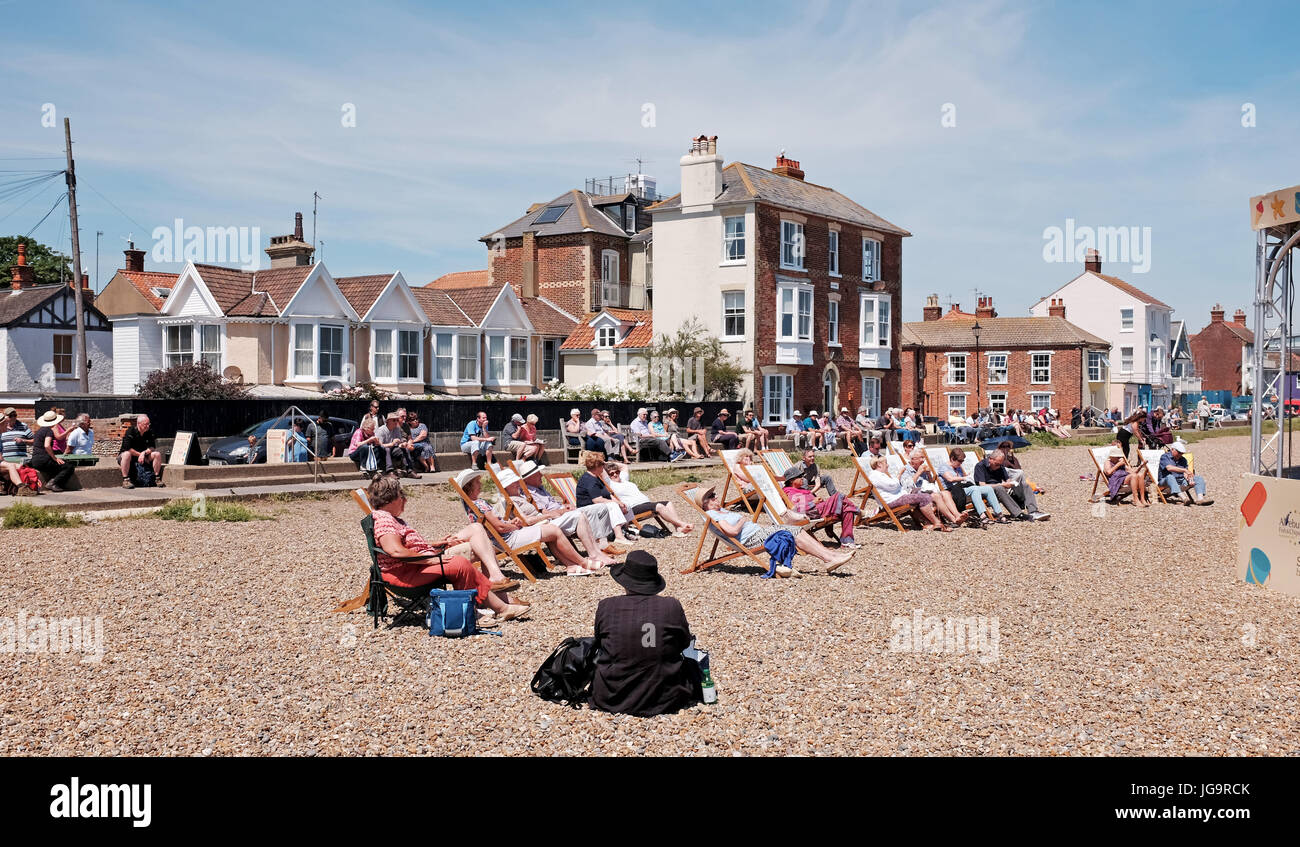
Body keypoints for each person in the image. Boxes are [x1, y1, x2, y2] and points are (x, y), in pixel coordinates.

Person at [368, 474, 529, 623]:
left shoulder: (388, 518)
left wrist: (437, 544)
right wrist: (431, 560)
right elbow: (395, 551)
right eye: (401, 496)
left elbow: (404, 547)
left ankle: (497, 604)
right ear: (392, 499)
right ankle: (489, 608)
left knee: (473, 540)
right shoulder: (384, 520)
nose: (404, 500)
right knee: (460, 564)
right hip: (406, 573)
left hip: (414, 565)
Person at [590, 551, 702, 717]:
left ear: (624, 582)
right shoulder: (671, 606)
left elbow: (600, 643)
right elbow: (684, 643)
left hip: (612, 696)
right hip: (665, 697)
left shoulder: (607, 606)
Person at [458, 469, 602, 576]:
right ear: (470, 486)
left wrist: (509, 522)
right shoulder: (480, 503)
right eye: (477, 482)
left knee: (549, 531)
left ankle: (571, 565)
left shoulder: (470, 504)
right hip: (508, 539)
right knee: (553, 530)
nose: (480, 484)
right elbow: (500, 527)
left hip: (500, 539)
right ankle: (581, 562)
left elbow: (497, 524)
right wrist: (513, 525)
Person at [695, 485, 853, 572]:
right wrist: (743, 520)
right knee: (791, 531)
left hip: (757, 533)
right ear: (705, 503)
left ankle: (831, 555)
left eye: (714, 494)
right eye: (712, 496)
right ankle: (828, 559)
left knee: (795, 529)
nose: (716, 497)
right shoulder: (712, 515)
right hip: (750, 540)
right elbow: (732, 532)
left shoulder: (720, 511)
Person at [497, 467, 620, 568]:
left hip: (546, 521)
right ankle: (594, 554)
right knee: (579, 515)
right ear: (506, 486)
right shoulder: (510, 500)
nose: (518, 484)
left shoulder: (520, 497)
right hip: (541, 525)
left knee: (580, 515)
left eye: (517, 481)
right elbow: (527, 521)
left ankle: (596, 552)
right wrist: (550, 514)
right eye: (514, 483)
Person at [515, 459, 630, 545]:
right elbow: (544, 512)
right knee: (601, 507)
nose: (541, 475)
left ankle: (603, 542)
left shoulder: (540, 488)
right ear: (528, 478)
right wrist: (563, 510)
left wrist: (565, 505)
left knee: (601, 508)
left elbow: (552, 504)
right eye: (537, 474)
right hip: (559, 518)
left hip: (566, 512)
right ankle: (602, 544)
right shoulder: (530, 493)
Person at [604, 460, 694, 536]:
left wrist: (608, 462)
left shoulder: (624, 479)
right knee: (659, 506)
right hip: (633, 507)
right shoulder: (610, 484)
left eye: (617, 472)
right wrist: (603, 464)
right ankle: (682, 524)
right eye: (611, 474)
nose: (615, 475)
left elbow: (624, 466)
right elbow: (601, 473)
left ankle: (678, 529)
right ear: (608, 476)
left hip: (646, 504)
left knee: (668, 503)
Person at [781, 464, 861, 548]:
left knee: (848, 510)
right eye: (799, 476)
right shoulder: (791, 493)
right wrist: (813, 503)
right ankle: (859, 512)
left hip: (819, 510)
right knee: (838, 496)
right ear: (791, 480)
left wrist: (818, 501)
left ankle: (847, 541)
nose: (802, 478)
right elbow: (797, 509)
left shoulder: (802, 490)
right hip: (812, 515)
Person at [866, 455, 948, 531]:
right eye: (886, 463)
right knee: (924, 497)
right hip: (892, 501)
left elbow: (893, 485)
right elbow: (893, 485)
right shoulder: (875, 476)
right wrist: (899, 474)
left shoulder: (880, 475)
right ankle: (937, 522)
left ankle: (929, 523)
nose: (887, 465)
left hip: (897, 497)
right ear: (879, 464)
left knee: (919, 496)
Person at [973, 449, 1048, 521]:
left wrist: (1010, 484)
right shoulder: (980, 466)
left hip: (1001, 488)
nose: (998, 466)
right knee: (999, 488)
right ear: (990, 459)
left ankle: (1033, 511)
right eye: (997, 464)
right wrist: (1001, 484)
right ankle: (1018, 514)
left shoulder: (1000, 466)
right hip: (987, 491)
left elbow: (1007, 480)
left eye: (1000, 464)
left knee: (1025, 485)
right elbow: (982, 485)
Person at [938, 447, 1006, 525]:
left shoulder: (958, 467)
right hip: (952, 491)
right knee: (974, 489)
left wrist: (968, 476)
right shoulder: (943, 467)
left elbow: (963, 478)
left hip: (962, 489)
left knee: (988, 488)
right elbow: (950, 479)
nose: (961, 463)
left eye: (962, 461)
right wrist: (965, 478)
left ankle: (999, 514)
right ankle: (983, 516)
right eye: (960, 461)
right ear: (952, 458)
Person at [30, 411, 75, 492]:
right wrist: (55, 458)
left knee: (58, 466)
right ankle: (53, 483)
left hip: (35, 460)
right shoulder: (49, 431)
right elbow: (47, 445)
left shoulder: (39, 431)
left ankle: (54, 483)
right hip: (43, 460)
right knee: (69, 467)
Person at [1159, 440, 1213, 506]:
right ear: (1172, 449)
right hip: (1165, 482)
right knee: (1170, 477)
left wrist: (1190, 479)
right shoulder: (1165, 457)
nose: (1180, 454)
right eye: (1179, 452)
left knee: (1198, 478)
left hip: (1181, 480)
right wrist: (1184, 470)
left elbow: (1186, 473)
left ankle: (1200, 499)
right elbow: (1169, 468)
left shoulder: (1183, 459)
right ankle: (1184, 498)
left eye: (1182, 453)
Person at [119, 414, 165, 489]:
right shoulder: (130, 431)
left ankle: (157, 478)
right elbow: (127, 448)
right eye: (145, 424)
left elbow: (152, 447)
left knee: (157, 454)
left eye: (148, 424)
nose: (147, 426)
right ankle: (126, 480)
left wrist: (144, 453)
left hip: (143, 455)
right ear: (138, 424)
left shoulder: (149, 432)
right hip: (128, 456)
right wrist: (140, 455)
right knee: (127, 454)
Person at [378, 411, 419, 477]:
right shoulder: (381, 430)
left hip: (393, 449)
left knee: (405, 449)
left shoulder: (396, 429)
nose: (396, 422)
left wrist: (402, 444)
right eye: (394, 420)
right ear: (388, 421)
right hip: (382, 451)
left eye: (397, 420)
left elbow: (399, 441)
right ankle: (389, 471)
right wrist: (392, 443)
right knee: (387, 449)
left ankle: (409, 470)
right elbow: (379, 444)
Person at [728, 449, 764, 513]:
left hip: (754, 487)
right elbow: (749, 479)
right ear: (740, 457)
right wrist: (750, 467)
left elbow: (758, 476)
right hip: (747, 490)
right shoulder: (737, 466)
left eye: (749, 456)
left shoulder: (748, 466)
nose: (748, 458)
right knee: (764, 482)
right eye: (746, 456)